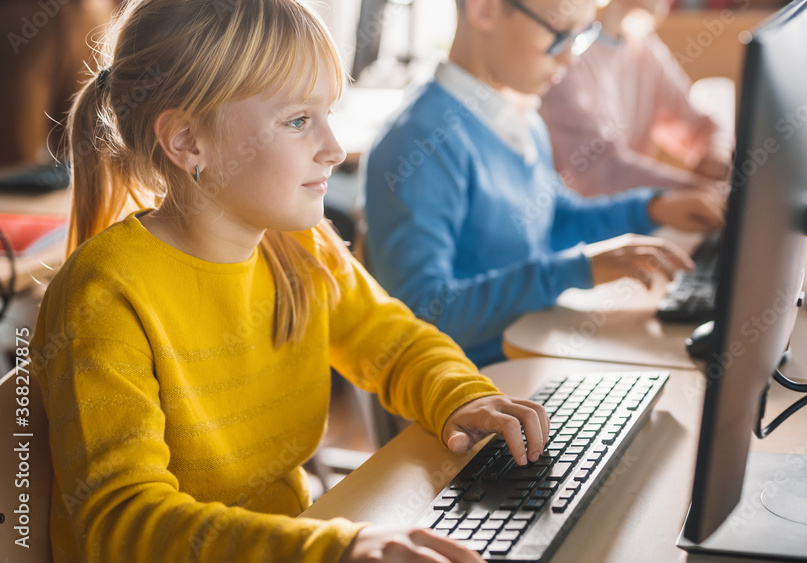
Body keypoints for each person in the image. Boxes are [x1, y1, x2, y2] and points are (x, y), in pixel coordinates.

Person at [28, 1, 548, 561]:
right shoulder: (106, 296)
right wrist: (335, 548)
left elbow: (395, 343)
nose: (333, 147)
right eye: (299, 120)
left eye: (327, 113)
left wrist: (461, 396)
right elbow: (122, 523)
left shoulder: (298, 244)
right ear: (186, 142)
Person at [364, 0, 727, 367]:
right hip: (474, 395)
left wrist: (650, 208)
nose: (569, 58)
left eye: (581, 36)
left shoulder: (521, 115)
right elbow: (423, 316)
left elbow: (552, 217)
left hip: (533, 356)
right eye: (558, 35)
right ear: (484, 10)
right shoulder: (420, 144)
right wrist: (573, 271)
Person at [537, 0, 733, 196]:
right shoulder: (565, 57)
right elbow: (599, 173)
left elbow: (698, 125)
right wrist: (701, 193)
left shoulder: (641, 42)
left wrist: (717, 154)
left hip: (632, 220)